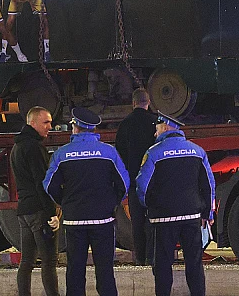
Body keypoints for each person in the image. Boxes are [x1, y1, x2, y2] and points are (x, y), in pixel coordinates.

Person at [44, 108, 129, 296]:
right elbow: (124, 183)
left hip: (75, 221)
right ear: (93, 130)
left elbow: (49, 185)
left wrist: (65, 202)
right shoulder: (109, 152)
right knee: (105, 272)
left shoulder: (62, 154)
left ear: (75, 127)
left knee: (75, 272)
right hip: (103, 221)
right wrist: (112, 203)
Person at [136, 114, 215, 296]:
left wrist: (150, 206)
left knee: (163, 265)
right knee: (194, 264)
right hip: (191, 217)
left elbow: (143, 186)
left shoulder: (154, 152)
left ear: (165, 127)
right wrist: (207, 214)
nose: (155, 133)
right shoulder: (197, 151)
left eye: (157, 127)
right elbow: (208, 184)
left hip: (163, 218)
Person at [11, 106, 60, 296]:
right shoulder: (34, 147)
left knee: (27, 261)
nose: (50, 126)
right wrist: (51, 214)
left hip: (24, 210)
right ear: (32, 123)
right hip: (39, 211)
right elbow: (42, 183)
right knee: (49, 260)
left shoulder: (17, 146)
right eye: (46, 122)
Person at [115, 88, 157, 265]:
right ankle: (153, 257)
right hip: (154, 184)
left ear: (133, 103)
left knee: (138, 224)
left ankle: (140, 258)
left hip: (134, 183)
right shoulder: (155, 123)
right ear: (148, 103)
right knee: (154, 221)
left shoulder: (125, 124)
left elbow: (119, 156)